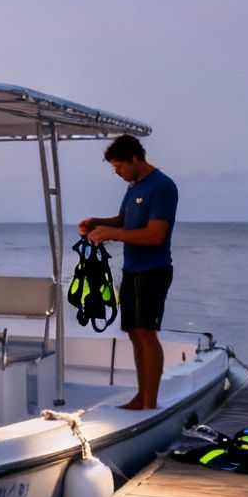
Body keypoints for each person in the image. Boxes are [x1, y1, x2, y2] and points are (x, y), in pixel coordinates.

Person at [77, 135, 177, 410]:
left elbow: (155, 235)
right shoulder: (134, 187)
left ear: (134, 158)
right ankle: (141, 395)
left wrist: (111, 233)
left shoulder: (162, 187)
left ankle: (150, 401)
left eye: (119, 166)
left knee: (146, 331)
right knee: (133, 331)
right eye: (114, 168)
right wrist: (98, 223)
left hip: (153, 270)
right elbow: (125, 221)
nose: (117, 172)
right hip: (132, 269)